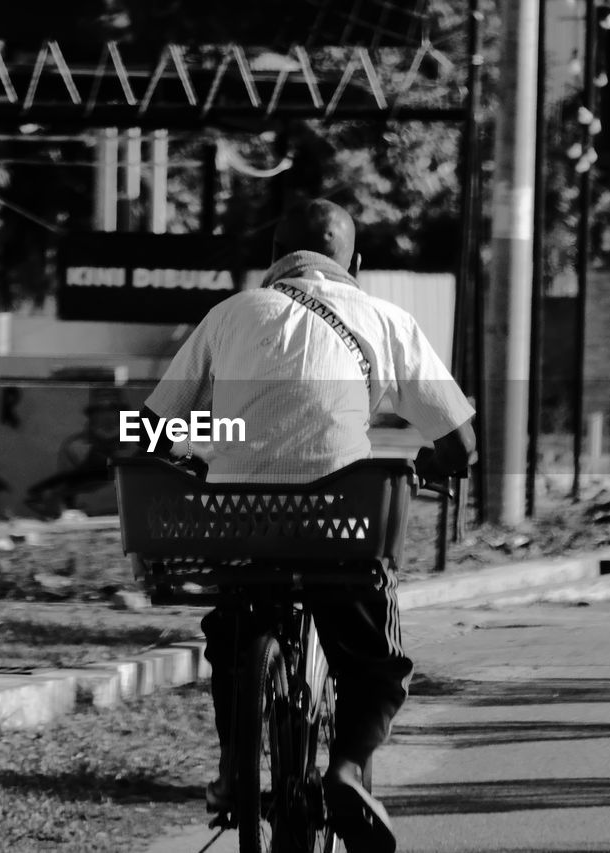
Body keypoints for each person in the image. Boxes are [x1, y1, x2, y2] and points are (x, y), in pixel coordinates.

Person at [138, 199, 475, 853]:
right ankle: (346, 770)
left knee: (234, 638)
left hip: (238, 526)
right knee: (376, 663)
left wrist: (189, 444)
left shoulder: (230, 314)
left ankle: (237, 771)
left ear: (273, 262)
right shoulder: (385, 318)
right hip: (340, 524)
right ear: (356, 263)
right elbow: (461, 444)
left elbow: (152, 429)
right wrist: (434, 455)